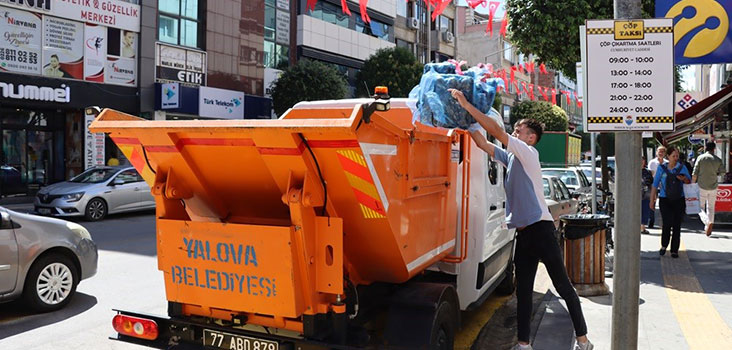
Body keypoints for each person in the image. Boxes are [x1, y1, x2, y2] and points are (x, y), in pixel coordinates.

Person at [449, 89, 593, 350]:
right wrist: (463, 120)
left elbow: (496, 130)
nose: (513, 133)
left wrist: (468, 105)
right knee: (523, 291)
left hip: (541, 230)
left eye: (519, 131)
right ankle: (524, 344)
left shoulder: (528, 153)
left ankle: (583, 339)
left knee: (562, 286)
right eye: (514, 131)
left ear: (531, 137)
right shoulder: (512, 156)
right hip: (524, 233)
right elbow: (483, 143)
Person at [650, 145, 691, 258]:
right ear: (668, 156)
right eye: (673, 156)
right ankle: (664, 245)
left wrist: (684, 179)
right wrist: (652, 200)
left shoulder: (682, 167)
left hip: (679, 199)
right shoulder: (661, 168)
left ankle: (674, 250)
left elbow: (689, 182)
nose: (676, 157)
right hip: (665, 199)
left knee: (677, 225)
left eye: (677, 155)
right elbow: (655, 184)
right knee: (667, 223)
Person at [693, 141, 724, 237]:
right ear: (714, 149)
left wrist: (692, 184)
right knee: (711, 207)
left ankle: (707, 222)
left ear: (705, 147)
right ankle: (708, 227)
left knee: (699, 207)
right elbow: (723, 172)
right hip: (713, 186)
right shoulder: (718, 160)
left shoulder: (700, 158)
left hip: (701, 186)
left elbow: (695, 173)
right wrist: (715, 174)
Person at [646, 146, 667, 229]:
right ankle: (651, 221)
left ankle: (665, 222)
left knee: (664, 204)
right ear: (656, 153)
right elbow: (651, 175)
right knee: (652, 203)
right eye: (659, 151)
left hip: (664, 186)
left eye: (663, 151)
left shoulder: (667, 163)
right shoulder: (652, 162)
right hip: (654, 186)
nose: (661, 153)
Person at [641, 156, 653, 234]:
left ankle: (643, 228)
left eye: (642, 160)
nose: (641, 162)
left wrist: (653, 195)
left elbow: (652, 184)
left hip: (646, 195)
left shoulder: (648, 172)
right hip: (636, 196)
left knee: (645, 212)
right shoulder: (633, 171)